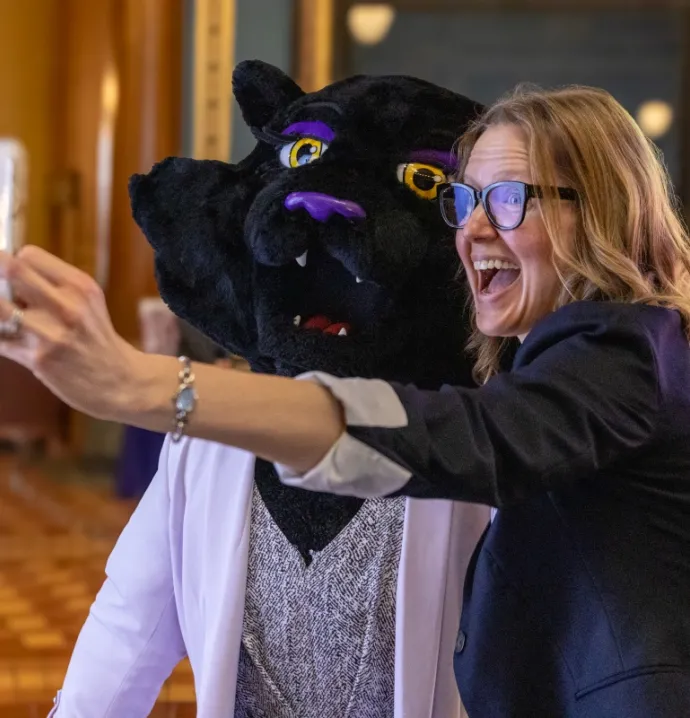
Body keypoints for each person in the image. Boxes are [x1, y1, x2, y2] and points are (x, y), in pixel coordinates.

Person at [1, 82, 690, 716]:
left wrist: (147, 385)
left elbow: (476, 438)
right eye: (462, 199)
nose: (472, 230)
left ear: (603, 209)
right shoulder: (563, 367)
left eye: (509, 199)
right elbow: (125, 632)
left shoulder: (632, 354)